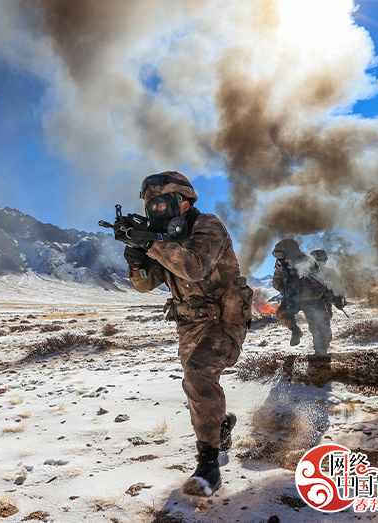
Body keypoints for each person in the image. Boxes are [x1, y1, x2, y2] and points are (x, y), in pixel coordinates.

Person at [124, 171, 253, 497]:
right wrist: (136, 260)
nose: (155, 211)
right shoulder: (165, 240)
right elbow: (144, 284)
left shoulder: (208, 227)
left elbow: (194, 267)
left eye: (161, 204)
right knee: (201, 383)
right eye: (151, 206)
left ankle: (208, 468)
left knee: (197, 375)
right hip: (190, 326)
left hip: (224, 324)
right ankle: (220, 426)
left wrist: (152, 244)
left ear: (183, 200)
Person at [272, 239, 334, 356]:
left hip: (312, 298)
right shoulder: (280, 264)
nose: (278, 258)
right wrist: (282, 289)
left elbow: (320, 287)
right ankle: (295, 331)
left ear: (291, 253)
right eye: (276, 254)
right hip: (292, 295)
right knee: (282, 313)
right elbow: (276, 281)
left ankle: (321, 352)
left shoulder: (309, 262)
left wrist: (301, 296)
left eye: (281, 255)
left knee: (319, 325)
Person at [310, 248, 347, 318]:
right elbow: (338, 285)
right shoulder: (329, 272)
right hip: (320, 300)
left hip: (314, 301)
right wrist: (339, 298)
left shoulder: (305, 272)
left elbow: (337, 285)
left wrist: (339, 298)